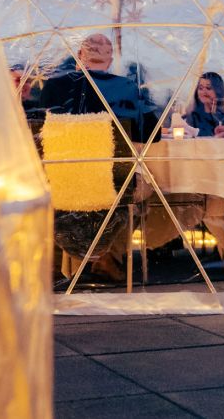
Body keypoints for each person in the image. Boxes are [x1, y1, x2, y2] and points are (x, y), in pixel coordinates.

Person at [40, 33, 160, 281]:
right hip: (109, 181)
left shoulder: (54, 86)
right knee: (144, 192)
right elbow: (152, 134)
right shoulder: (125, 87)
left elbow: (38, 128)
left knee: (51, 196)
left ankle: (51, 262)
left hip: (58, 179)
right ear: (110, 58)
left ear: (80, 56)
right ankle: (107, 257)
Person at [184, 72, 224, 138]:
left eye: (208, 88)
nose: (204, 91)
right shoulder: (193, 116)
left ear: (218, 90)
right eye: (200, 88)